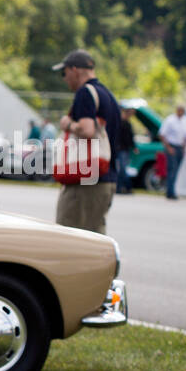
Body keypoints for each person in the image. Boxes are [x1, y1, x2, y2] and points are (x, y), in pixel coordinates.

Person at [52, 48, 121, 234]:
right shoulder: (108, 95)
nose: (64, 78)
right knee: (94, 238)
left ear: (74, 70)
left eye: (64, 73)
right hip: (106, 179)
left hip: (85, 182)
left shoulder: (85, 93)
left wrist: (68, 124)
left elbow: (87, 130)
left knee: (68, 236)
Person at [158, 103, 186, 200]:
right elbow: (162, 134)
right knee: (172, 169)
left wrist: (184, 148)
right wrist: (168, 148)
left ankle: (172, 190)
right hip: (171, 146)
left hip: (180, 147)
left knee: (176, 170)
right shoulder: (170, 120)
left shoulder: (185, 121)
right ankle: (170, 192)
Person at [114, 107, 136, 194]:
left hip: (125, 149)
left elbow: (130, 137)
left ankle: (123, 187)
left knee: (122, 169)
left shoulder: (127, 123)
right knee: (121, 169)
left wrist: (133, 146)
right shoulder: (120, 123)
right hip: (120, 148)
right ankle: (125, 187)